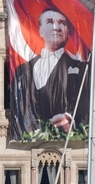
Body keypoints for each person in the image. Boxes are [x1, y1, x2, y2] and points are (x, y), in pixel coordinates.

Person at [10, 8, 90, 140]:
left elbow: (90, 105)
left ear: (67, 32)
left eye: (62, 23)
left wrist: (73, 121)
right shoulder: (22, 71)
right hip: (27, 136)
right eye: (50, 22)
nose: (57, 27)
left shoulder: (82, 69)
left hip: (67, 140)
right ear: (40, 31)